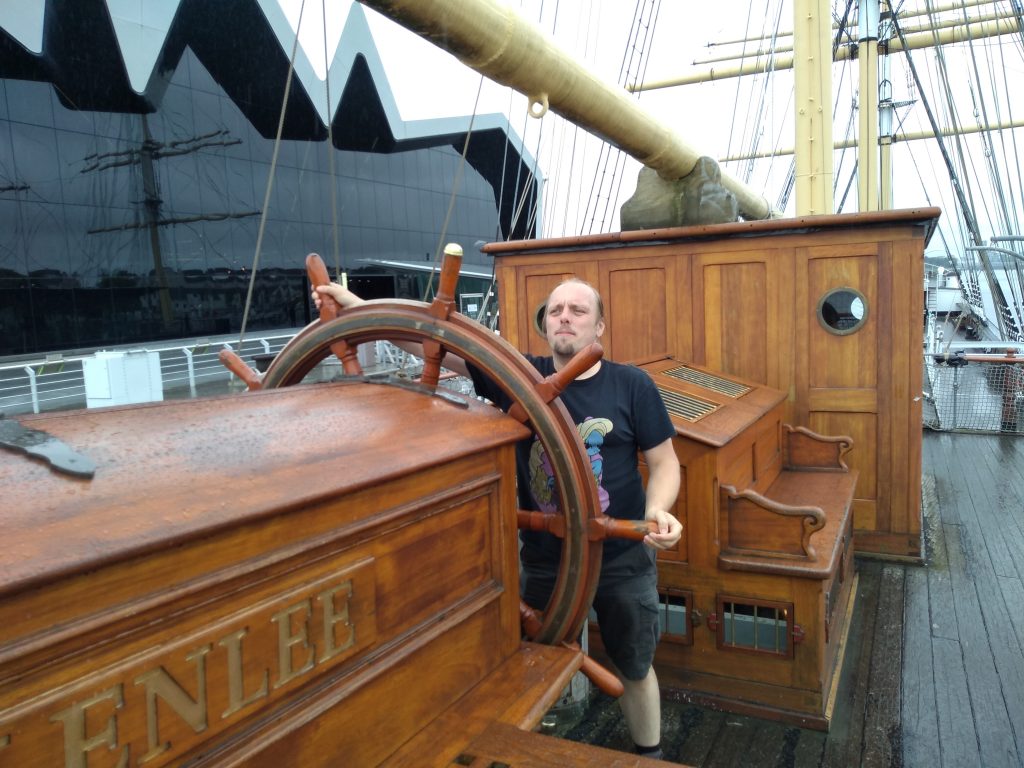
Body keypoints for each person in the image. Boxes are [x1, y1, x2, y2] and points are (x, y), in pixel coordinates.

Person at [313, 277, 682, 760]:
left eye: (577, 310)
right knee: (532, 668)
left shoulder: (632, 385)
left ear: (599, 327)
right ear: (545, 324)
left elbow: (664, 462)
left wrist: (657, 510)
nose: (564, 317)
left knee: (634, 666)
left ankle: (650, 755)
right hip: (547, 561)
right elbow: (436, 346)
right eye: (555, 310)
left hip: (623, 559)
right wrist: (359, 307)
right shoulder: (518, 374)